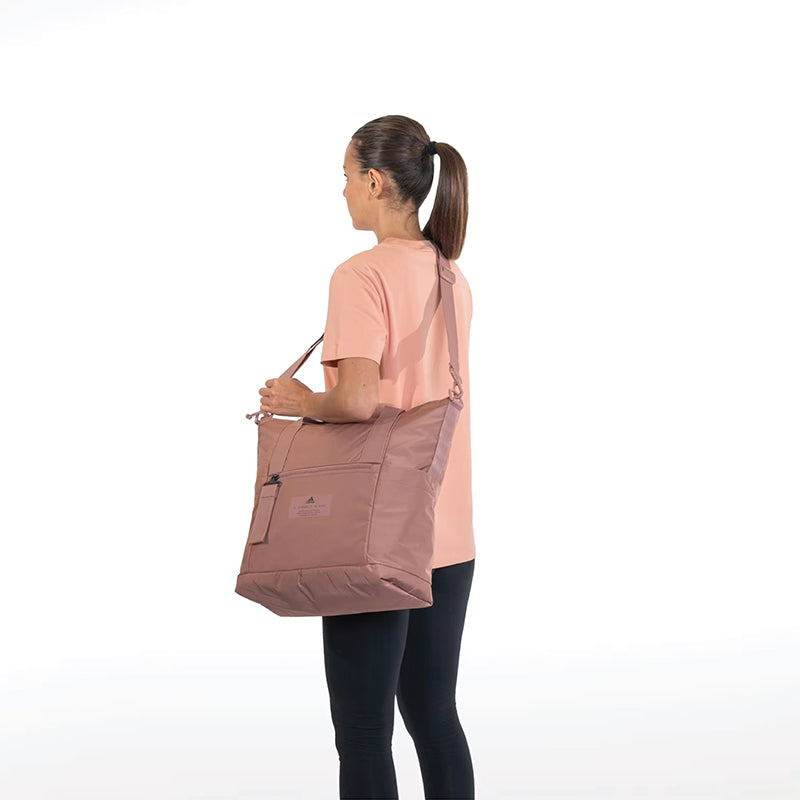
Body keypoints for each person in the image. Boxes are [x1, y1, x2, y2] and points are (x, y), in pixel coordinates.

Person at [257, 114, 476, 800]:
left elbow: (355, 402)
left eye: (347, 176)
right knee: (434, 717)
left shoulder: (359, 275)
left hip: (374, 534)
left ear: (376, 182)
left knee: (362, 731)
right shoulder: (450, 275)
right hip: (447, 534)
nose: (344, 190)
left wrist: (298, 398)